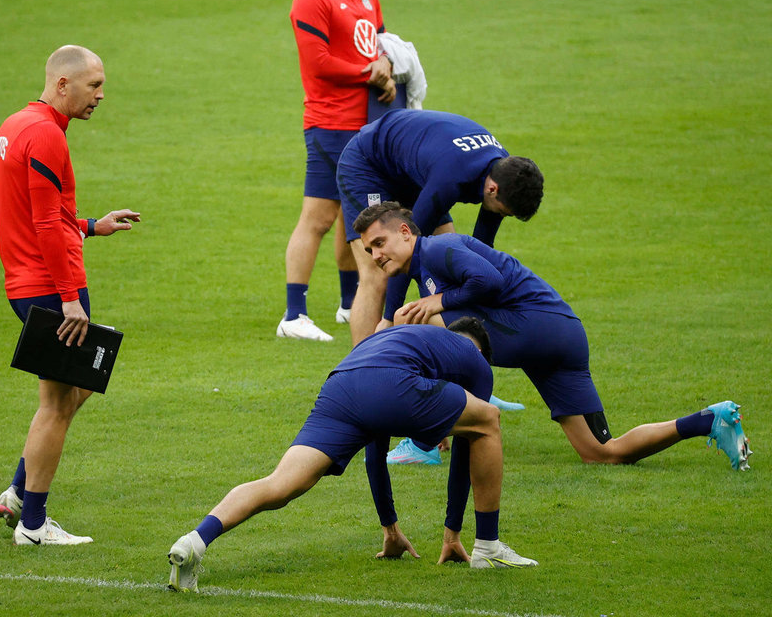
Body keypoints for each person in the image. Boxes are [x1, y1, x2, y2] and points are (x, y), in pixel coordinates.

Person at [353, 202, 752, 470]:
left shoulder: (439, 248)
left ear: (405, 232)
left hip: (535, 327)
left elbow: (488, 280)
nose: (375, 256)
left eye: (380, 243)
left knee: (420, 319)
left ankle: (428, 438)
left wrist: (439, 301)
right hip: (561, 340)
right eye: (369, 250)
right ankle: (709, 420)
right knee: (600, 453)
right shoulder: (418, 267)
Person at [167, 320, 538, 592]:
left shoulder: (403, 340)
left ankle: (195, 541)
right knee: (487, 421)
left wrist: (390, 529)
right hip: (389, 382)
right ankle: (489, 546)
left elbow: (375, 450)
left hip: (341, 384)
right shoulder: (474, 361)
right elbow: (466, 454)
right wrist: (451, 533)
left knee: (279, 484)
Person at [0, 45, 140, 546]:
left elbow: (39, 211)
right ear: (62, 84)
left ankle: (17, 492)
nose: (101, 95)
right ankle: (32, 524)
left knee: (83, 383)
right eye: (93, 85)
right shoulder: (48, 135)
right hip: (50, 288)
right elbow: (48, 226)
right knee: (57, 403)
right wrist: (71, 297)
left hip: (27, 282)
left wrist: (93, 226)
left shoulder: (14, 126)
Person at [277, 0, 398, 342]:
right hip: (333, 124)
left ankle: (343, 307)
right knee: (360, 217)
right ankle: (300, 315)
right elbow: (319, 62)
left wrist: (384, 65)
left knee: (322, 215)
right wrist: (370, 73)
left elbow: (380, 44)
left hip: (363, 121)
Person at [337, 108, 544, 346]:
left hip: (414, 169)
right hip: (369, 163)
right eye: (501, 212)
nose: (498, 216)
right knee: (379, 272)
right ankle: (362, 371)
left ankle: (450, 356)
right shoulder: (451, 178)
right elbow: (409, 243)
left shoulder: (504, 170)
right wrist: (389, 317)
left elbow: (478, 246)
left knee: (450, 258)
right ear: (492, 189)